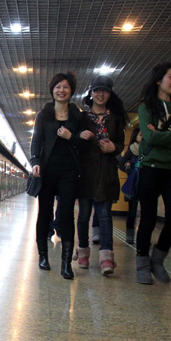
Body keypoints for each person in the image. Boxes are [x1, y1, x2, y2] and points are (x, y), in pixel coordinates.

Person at [30, 72, 90, 279]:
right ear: (52, 90)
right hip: (47, 171)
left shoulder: (78, 117)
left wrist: (71, 136)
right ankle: (43, 256)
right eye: (58, 86)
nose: (61, 90)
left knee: (66, 215)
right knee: (44, 214)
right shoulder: (43, 115)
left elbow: (84, 144)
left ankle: (66, 263)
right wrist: (35, 162)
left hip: (69, 172)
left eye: (65, 87)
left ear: (71, 90)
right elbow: (36, 141)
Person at [135, 62, 171, 284]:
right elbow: (151, 138)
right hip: (151, 169)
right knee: (147, 218)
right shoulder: (146, 107)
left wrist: (170, 137)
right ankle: (142, 264)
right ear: (159, 80)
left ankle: (158, 259)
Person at [75, 75, 127, 275]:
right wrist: (80, 136)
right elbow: (74, 143)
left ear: (110, 93)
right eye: (97, 90)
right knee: (84, 215)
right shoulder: (82, 118)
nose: (100, 94)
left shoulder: (115, 119)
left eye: (104, 90)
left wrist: (114, 147)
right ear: (91, 93)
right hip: (86, 172)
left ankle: (106, 258)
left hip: (106, 174)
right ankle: (83, 253)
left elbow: (121, 143)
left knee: (105, 216)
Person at [118, 127, 143, 244]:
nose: (142, 138)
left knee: (146, 211)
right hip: (133, 184)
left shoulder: (149, 149)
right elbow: (122, 164)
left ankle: (143, 236)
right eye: (140, 135)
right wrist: (129, 169)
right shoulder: (132, 149)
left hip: (146, 184)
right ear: (135, 137)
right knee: (132, 211)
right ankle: (130, 233)